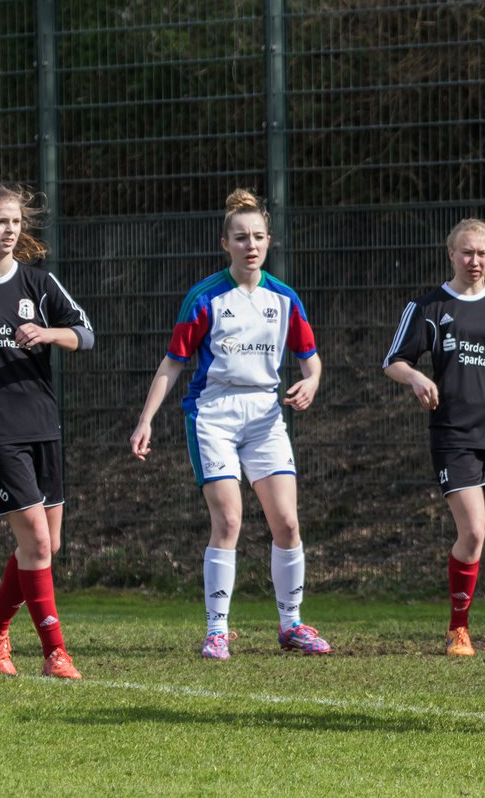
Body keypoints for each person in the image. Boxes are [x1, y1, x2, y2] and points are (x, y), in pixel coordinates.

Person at [130, 189, 332, 660]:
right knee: (230, 519)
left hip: (265, 416)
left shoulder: (283, 298)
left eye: (258, 236)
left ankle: (291, 626)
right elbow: (172, 364)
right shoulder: (205, 298)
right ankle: (217, 629)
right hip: (213, 416)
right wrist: (146, 420)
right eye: (240, 237)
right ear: (225, 243)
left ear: (269, 241)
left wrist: (311, 383)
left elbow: (311, 361)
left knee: (286, 521)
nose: (251, 245)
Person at [0, 183, 94, 679]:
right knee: (33, 538)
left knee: (47, 545)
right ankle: (56, 652)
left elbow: (86, 334)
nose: (10, 230)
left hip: (42, 423)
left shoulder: (39, 283)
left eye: (15, 222)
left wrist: (50, 333)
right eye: (0, 222)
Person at [384, 218, 485, 657]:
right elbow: (393, 360)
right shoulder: (428, 307)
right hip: (454, 435)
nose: (474, 261)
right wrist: (414, 377)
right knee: (472, 533)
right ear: (451, 253)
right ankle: (458, 630)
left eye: (482, 253)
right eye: (466, 253)